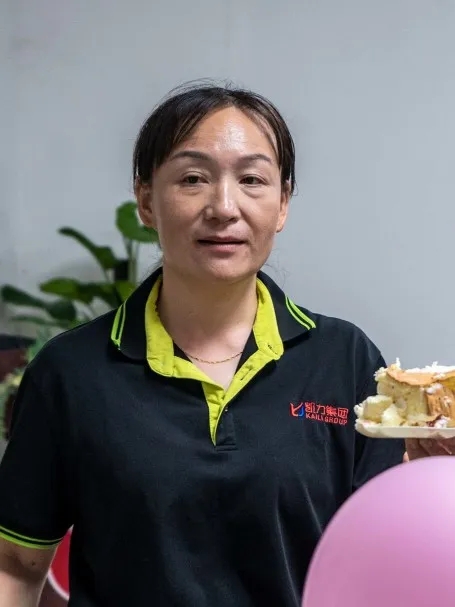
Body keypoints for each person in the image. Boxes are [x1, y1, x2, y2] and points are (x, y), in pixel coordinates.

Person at [0, 81, 435, 607]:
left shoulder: (344, 360)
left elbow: (384, 559)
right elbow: (15, 566)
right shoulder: (71, 372)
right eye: (193, 179)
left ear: (282, 204)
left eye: (252, 179)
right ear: (146, 200)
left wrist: (434, 475)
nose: (224, 207)